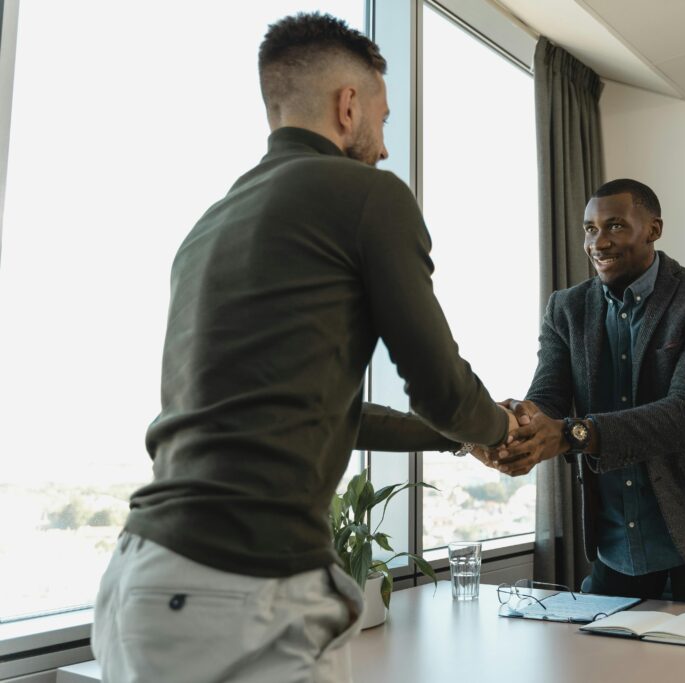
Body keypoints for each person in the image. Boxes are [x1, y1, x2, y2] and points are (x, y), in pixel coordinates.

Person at [91, 13, 514, 683]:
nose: (382, 145)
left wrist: (453, 441)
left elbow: (319, 410)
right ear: (349, 106)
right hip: (239, 587)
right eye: (382, 117)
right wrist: (505, 429)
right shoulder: (367, 196)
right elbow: (439, 387)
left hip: (142, 577)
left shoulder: (210, 225)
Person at [495, 178, 685, 606]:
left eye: (614, 226)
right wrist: (515, 422)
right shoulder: (566, 308)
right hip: (617, 544)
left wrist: (574, 433)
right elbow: (548, 396)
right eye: (589, 229)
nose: (598, 242)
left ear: (653, 229)